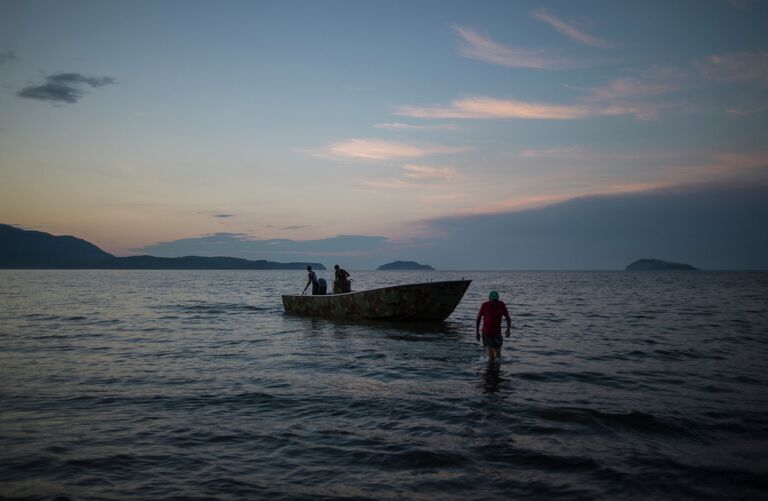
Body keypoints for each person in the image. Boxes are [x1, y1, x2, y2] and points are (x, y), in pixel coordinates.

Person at [476, 290, 512, 363]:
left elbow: (508, 317)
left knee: (498, 357)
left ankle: (496, 372)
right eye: (493, 300)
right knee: (491, 358)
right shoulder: (485, 305)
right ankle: (489, 373)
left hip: (497, 334)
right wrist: (477, 332)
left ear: (498, 299)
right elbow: (478, 318)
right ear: (489, 299)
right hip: (487, 333)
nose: (494, 302)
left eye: (496, 300)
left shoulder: (501, 304)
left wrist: (508, 329)